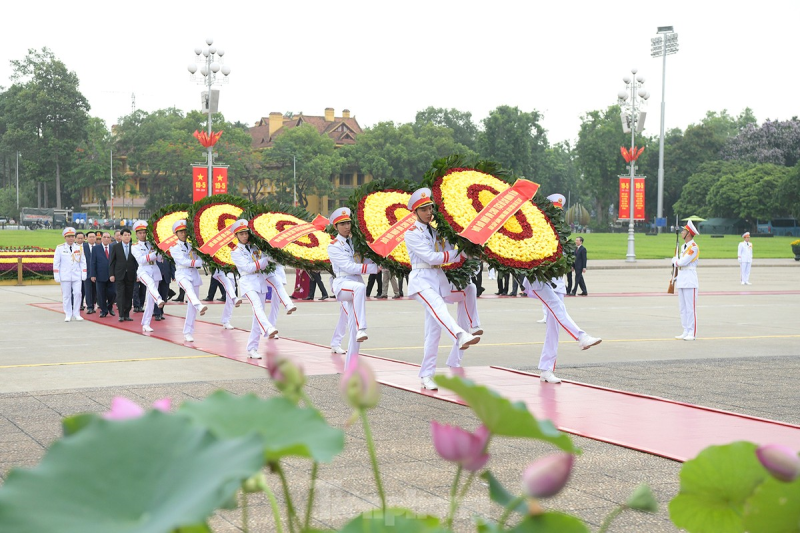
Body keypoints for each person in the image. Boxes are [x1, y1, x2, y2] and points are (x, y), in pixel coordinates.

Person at [404, 188, 480, 390]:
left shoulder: (435, 231)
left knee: (466, 292)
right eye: (424, 209)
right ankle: (459, 334)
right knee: (438, 306)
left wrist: (467, 250)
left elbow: (449, 251)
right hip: (421, 280)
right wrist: (456, 254)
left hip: (438, 279)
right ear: (415, 212)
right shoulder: (411, 233)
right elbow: (431, 257)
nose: (429, 212)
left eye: (430, 208)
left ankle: (427, 375)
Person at [526, 193, 601, 383]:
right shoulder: (537, 227)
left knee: (554, 329)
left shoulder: (561, 231)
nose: (557, 214)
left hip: (557, 282)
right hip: (539, 279)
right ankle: (581, 337)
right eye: (554, 210)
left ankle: (546, 369)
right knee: (558, 309)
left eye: (559, 211)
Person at [327, 207, 379, 368]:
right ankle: (362, 327)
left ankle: (350, 367)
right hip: (342, 285)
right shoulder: (334, 245)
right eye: (342, 224)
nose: (346, 226)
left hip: (355, 284)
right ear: (335, 227)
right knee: (359, 289)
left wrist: (379, 262)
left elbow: (365, 259)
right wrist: (371, 269)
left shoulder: (355, 243)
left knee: (354, 334)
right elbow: (349, 267)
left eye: (348, 222)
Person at [229, 220, 278, 359]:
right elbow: (248, 267)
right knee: (257, 307)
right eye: (241, 234)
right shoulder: (236, 252)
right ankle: (268, 327)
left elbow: (264, 263)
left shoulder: (255, 247)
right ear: (236, 236)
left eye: (246, 233)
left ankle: (252, 348)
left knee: (257, 316)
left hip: (260, 282)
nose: (245, 236)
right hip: (247, 283)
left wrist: (272, 256)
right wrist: (265, 261)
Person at [169, 220, 209, 342]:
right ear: (176, 233)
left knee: (191, 306)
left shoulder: (192, 246)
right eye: (180, 232)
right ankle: (199, 305)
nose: (183, 234)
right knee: (189, 291)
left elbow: (201, 258)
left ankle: (188, 332)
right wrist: (197, 263)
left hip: (194, 275)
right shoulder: (174, 248)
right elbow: (182, 261)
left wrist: (201, 259)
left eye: (185, 231)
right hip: (182, 274)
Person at [131, 221, 166, 333]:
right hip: (143, 271)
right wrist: (156, 253)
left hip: (154, 270)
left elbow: (160, 259)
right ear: (136, 234)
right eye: (140, 233)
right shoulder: (135, 247)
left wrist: (162, 250)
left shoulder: (152, 244)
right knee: (150, 284)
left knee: (150, 300)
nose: (142, 235)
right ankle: (159, 299)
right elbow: (141, 259)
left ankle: (146, 323)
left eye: (144, 232)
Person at [672, 220, 700, 341]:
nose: (682, 232)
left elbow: (682, 262)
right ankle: (685, 330)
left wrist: (675, 261)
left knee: (690, 308)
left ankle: (691, 332)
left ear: (689, 233)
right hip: (682, 279)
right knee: (682, 308)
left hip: (690, 279)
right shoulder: (684, 247)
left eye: (684, 230)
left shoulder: (693, 247)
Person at [53, 227, 87, 322]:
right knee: (66, 296)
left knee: (78, 293)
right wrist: (57, 275)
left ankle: (76, 313)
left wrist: (84, 273)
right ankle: (68, 313)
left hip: (76, 275)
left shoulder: (79, 248)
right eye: (69, 236)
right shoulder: (60, 248)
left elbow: (83, 261)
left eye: (72, 236)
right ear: (65, 237)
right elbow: (56, 262)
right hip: (65, 275)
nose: (71, 238)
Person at [108, 228, 138, 322]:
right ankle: (121, 314)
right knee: (120, 295)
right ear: (121, 236)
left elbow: (136, 262)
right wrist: (111, 274)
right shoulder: (116, 247)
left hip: (130, 274)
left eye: (129, 235)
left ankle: (127, 314)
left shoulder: (134, 247)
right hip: (119, 275)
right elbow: (112, 262)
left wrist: (138, 274)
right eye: (125, 235)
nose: (127, 237)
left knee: (129, 295)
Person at [90, 232, 116, 317]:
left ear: (110, 239)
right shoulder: (96, 249)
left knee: (112, 293)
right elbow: (93, 262)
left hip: (112, 276)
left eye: (108, 237)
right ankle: (103, 311)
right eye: (104, 237)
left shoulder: (114, 248)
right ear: (101, 238)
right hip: (100, 275)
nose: (106, 239)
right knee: (101, 294)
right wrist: (93, 274)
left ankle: (109, 307)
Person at [82, 231, 98, 314]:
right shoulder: (83, 247)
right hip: (87, 272)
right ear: (86, 238)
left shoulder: (99, 247)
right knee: (88, 290)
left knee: (95, 290)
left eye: (93, 237)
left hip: (97, 273)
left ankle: (94, 304)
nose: (92, 238)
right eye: (90, 237)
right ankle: (90, 306)